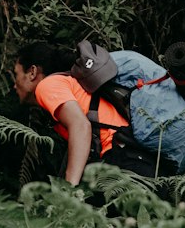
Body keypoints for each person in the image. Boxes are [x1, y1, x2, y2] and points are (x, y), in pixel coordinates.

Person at [13, 40, 142, 185]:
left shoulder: (47, 86)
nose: (14, 84)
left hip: (121, 158)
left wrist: (70, 188)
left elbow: (80, 125)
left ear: (32, 72)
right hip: (131, 155)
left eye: (16, 74)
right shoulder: (67, 82)